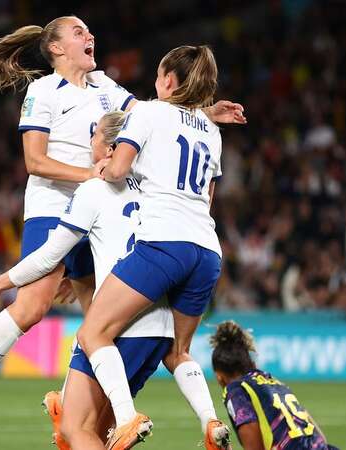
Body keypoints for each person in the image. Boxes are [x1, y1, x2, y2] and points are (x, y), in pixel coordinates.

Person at [0, 16, 245, 447]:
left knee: (96, 312)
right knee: (33, 306)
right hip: (55, 204)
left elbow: (158, 114)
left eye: (89, 31)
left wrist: (205, 112)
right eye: (79, 33)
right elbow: (35, 162)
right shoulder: (42, 91)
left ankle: (69, 399)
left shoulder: (105, 86)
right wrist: (93, 176)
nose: (90, 36)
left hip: (99, 205)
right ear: (57, 48)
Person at [0, 111, 173, 450]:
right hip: (159, 326)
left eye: (94, 135)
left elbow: (47, 256)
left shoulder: (93, 190)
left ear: (110, 147)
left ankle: (123, 415)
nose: (89, 142)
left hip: (114, 325)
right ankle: (112, 413)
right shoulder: (156, 190)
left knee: (75, 430)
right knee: (97, 429)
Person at [75, 45, 231, 450]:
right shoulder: (211, 131)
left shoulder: (147, 111)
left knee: (93, 332)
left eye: (160, 75)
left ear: (169, 81)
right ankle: (211, 422)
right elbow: (207, 197)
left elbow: (120, 168)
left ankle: (126, 420)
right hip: (207, 250)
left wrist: (100, 169)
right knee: (178, 351)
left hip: (164, 242)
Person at [210, 321, 336, 450]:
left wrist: (223, 447)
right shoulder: (274, 382)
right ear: (252, 364)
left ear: (219, 377)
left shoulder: (236, 390)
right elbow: (320, 439)